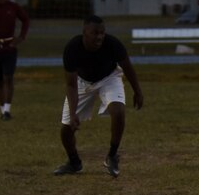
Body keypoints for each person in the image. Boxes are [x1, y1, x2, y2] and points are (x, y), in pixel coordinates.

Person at [54, 15, 144, 178]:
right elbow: (71, 85)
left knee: (118, 111)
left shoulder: (112, 44)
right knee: (66, 129)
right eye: (95, 33)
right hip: (82, 83)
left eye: (102, 33)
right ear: (84, 32)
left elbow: (128, 67)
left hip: (109, 78)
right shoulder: (72, 48)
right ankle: (74, 163)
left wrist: (137, 91)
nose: (99, 37)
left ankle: (112, 155)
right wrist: (74, 113)